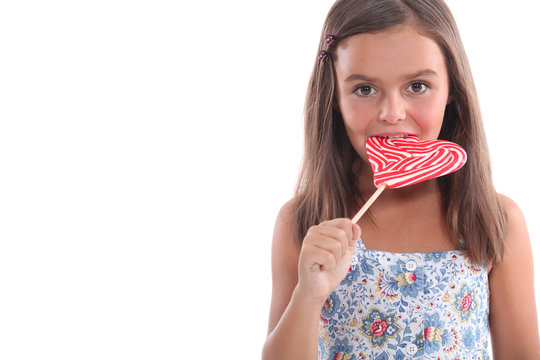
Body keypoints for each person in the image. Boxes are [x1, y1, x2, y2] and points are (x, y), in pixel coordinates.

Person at [261, 0, 540, 359]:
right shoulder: (305, 222)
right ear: (334, 96)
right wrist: (309, 295)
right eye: (364, 89)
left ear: (452, 87)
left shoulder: (495, 220)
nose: (392, 113)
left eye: (418, 86)